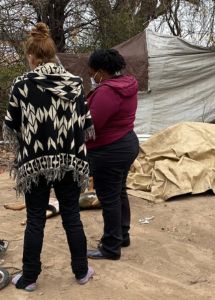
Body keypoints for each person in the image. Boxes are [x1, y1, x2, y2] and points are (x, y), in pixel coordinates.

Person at [3, 23, 95, 291]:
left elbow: (12, 125)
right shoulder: (76, 83)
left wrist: (38, 133)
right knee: (72, 217)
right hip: (70, 161)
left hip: (35, 163)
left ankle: (29, 278)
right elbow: (85, 122)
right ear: (52, 54)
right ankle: (81, 272)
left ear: (31, 56)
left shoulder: (22, 84)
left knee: (35, 219)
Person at [85, 49, 139, 260]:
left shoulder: (107, 92)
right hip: (126, 143)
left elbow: (92, 126)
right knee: (118, 193)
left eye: (91, 69)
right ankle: (122, 236)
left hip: (110, 150)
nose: (89, 73)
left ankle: (110, 247)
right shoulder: (127, 84)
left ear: (100, 70)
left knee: (109, 198)